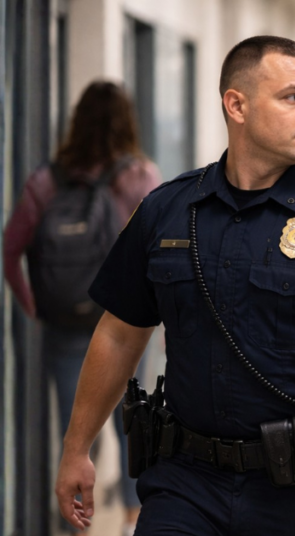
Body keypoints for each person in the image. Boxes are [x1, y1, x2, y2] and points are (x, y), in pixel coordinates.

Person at [54, 36, 295, 536]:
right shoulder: (166, 211)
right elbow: (120, 333)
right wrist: (76, 448)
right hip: (183, 483)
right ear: (236, 104)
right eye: (293, 97)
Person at [3, 80, 162, 534]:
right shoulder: (140, 178)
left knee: (76, 435)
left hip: (66, 323)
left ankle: (78, 526)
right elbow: (164, 249)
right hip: (128, 325)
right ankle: (134, 522)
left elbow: (11, 247)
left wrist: (34, 305)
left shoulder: (46, 181)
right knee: (132, 428)